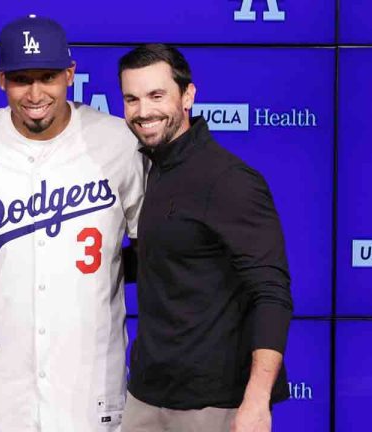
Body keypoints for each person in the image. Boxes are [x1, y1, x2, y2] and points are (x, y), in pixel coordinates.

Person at [0, 15, 145, 431]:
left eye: (47, 76)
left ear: (70, 74)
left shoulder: (118, 142)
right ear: (0, 80)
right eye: (20, 78)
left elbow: (154, 248)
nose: (35, 93)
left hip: (89, 381)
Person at [117, 44, 293, 432]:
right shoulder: (151, 166)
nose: (143, 111)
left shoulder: (230, 180)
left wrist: (257, 400)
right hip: (146, 395)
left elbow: (272, 292)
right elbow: (166, 256)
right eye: (132, 99)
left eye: (156, 95)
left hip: (214, 406)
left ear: (188, 96)